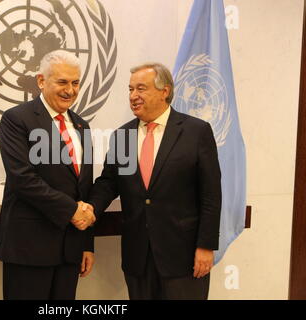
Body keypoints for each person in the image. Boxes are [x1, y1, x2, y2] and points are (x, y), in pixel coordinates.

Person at [85, 63, 221, 300]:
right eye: (130, 90)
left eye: (141, 89)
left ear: (164, 91)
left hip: (184, 256)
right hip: (138, 257)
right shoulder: (122, 136)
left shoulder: (196, 132)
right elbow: (109, 183)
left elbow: (211, 194)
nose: (133, 96)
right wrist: (90, 209)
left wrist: (206, 246)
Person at [0, 50, 96, 300]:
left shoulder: (82, 126)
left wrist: (86, 244)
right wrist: (72, 211)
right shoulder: (16, 119)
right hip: (29, 248)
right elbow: (23, 179)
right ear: (41, 81)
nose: (70, 90)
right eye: (62, 82)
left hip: (70, 249)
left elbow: (83, 189)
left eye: (75, 83)